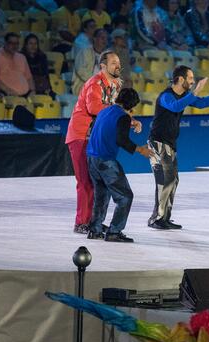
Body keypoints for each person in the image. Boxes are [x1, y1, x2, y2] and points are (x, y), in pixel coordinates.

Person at [147, 66, 209, 230]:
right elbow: (175, 106)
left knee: (173, 180)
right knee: (165, 180)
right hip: (158, 143)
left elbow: (200, 104)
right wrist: (194, 93)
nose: (193, 81)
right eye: (190, 78)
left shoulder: (184, 96)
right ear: (180, 79)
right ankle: (156, 218)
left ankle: (164, 217)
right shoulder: (166, 96)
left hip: (169, 143)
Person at [65, 51, 129, 234]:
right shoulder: (95, 83)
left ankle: (95, 222)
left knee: (97, 182)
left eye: (119, 62)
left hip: (94, 138)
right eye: (114, 62)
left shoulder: (116, 84)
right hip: (80, 136)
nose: (118, 65)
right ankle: (81, 223)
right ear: (103, 66)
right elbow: (94, 108)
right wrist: (121, 115)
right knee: (85, 182)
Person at [85, 88, 153, 243]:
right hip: (105, 160)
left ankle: (95, 230)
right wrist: (141, 150)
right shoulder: (123, 117)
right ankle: (114, 231)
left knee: (101, 195)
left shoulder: (105, 111)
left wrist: (130, 122)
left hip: (91, 158)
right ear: (131, 106)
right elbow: (122, 140)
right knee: (125, 197)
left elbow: (108, 127)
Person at [0, 32, 34, 97]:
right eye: (11, 43)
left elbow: (29, 77)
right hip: (6, 95)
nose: (14, 46)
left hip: (26, 96)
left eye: (17, 43)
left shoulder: (21, 57)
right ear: (5, 43)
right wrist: (7, 90)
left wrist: (33, 90)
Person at [72, 28, 108, 95]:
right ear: (94, 38)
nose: (105, 40)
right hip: (84, 85)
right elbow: (80, 71)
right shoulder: (84, 52)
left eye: (106, 38)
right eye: (102, 38)